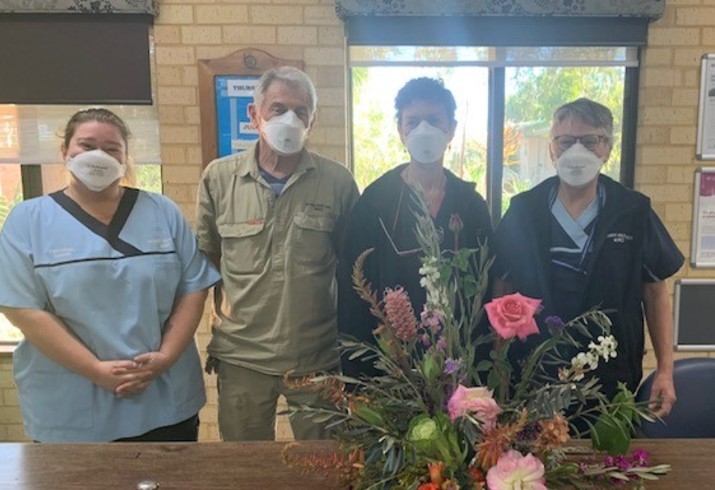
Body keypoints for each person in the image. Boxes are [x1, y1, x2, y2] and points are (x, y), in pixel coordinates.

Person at [0, 108, 220, 442]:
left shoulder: (162, 211)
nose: (98, 156)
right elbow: (21, 308)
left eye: (111, 148)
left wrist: (165, 358)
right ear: (65, 153)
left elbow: (193, 289)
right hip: (70, 407)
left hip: (163, 401)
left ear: (126, 157)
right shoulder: (27, 221)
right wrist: (95, 370)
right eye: (86, 145)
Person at [492, 97, 683, 418]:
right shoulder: (524, 210)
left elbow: (655, 291)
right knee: (534, 462)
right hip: (534, 371)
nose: (576, 152)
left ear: (606, 148)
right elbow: (502, 284)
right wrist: (499, 364)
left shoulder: (633, 211)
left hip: (611, 373)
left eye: (589, 141)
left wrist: (665, 369)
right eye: (566, 142)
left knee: (606, 459)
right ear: (552, 149)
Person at [196, 66, 359, 441]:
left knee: (325, 468)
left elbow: (352, 269)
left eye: (300, 112)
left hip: (317, 357)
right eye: (278, 108)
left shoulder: (337, 182)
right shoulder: (219, 179)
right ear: (254, 115)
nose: (290, 119)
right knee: (245, 469)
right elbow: (207, 261)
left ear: (312, 122)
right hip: (242, 358)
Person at [338, 77, 493, 379]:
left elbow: (487, 291)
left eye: (434, 120)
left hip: (460, 369)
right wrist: (359, 379)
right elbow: (352, 290)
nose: (424, 130)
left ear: (451, 129)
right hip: (392, 370)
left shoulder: (471, 204)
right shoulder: (375, 202)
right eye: (413, 121)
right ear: (401, 130)